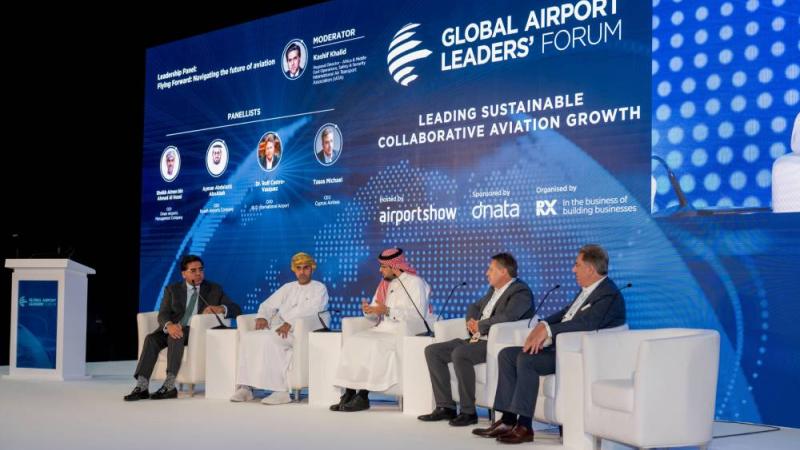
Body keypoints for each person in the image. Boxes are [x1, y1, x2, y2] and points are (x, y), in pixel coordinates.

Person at [472, 244, 626, 444]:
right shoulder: (588, 290)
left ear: (590, 269)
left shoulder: (608, 294)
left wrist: (549, 331)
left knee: (526, 360)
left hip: (577, 354)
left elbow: (587, 323)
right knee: (507, 354)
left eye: (577, 265)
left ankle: (525, 426)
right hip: (561, 348)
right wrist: (543, 324)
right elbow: (566, 313)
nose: (573, 269)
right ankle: (508, 420)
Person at [418, 253, 533, 426]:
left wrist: (480, 325)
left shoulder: (520, 292)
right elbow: (474, 306)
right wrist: (472, 323)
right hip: (478, 338)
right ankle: (446, 407)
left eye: (491, 269)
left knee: (460, 353)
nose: (487, 273)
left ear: (503, 271)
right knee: (433, 351)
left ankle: (468, 412)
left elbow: (509, 317)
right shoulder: (493, 290)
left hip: (496, 343)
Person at [124, 255, 242, 401]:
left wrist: (221, 308)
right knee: (151, 339)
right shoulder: (172, 289)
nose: (198, 274)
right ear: (183, 274)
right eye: (193, 271)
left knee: (176, 336)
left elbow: (236, 309)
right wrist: (169, 325)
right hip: (173, 328)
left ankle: (169, 385)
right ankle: (142, 386)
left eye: (201, 270)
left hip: (195, 332)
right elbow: (163, 313)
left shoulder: (214, 289)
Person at [330, 248, 431, 412]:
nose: (380, 270)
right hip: (383, 328)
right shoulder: (385, 284)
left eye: (383, 266)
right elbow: (375, 312)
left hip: (401, 332)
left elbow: (417, 316)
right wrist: (369, 310)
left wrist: (388, 311)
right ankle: (349, 393)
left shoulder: (415, 283)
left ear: (395, 266)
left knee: (373, 345)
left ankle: (363, 396)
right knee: (353, 341)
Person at [230, 253, 328, 405]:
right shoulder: (288, 287)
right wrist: (263, 317)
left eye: (306, 268)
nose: (302, 272)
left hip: (300, 333)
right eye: (298, 268)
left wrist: (290, 323)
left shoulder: (319, 288)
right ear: (294, 270)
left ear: (312, 269)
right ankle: (246, 387)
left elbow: (313, 310)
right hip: (280, 328)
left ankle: (281, 391)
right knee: (249, 337)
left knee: (275, 338)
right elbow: (268, 304)